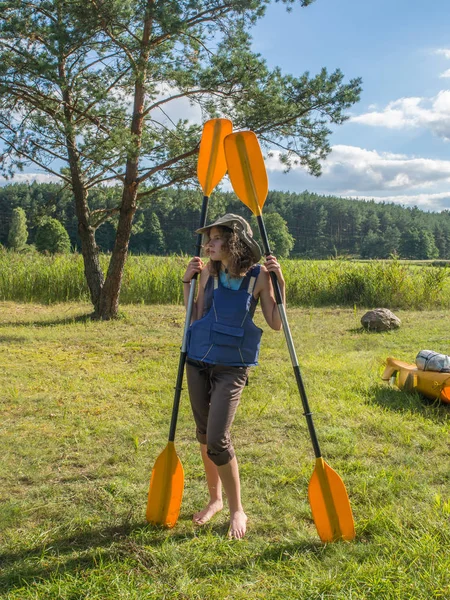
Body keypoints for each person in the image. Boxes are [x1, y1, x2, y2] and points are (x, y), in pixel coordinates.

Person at [182, 213, 285, 539]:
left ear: (234, 242)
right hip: (198, 360)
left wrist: (280, 284)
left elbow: (274, 322)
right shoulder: (208, 272)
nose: (208, 244)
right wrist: (187, 283)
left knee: (217, 439)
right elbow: (195, 315)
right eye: (208, 238)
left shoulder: (258, 276)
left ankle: (237, 508)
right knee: (203, 433)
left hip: (232, 367)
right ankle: (215, 500)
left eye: (214, 239)